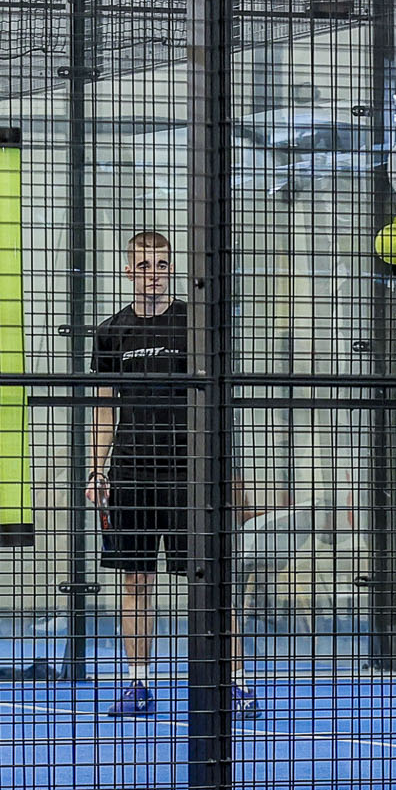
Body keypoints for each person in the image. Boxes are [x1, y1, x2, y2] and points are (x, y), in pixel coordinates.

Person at [86, 230, 250, 719]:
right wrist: (97, 471)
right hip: (132, 474)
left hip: (191, 476)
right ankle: (138, 684)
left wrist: (228, 475)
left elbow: (218, 403)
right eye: (143, 265)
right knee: (135, 581)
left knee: (212, 580)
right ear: (127, 271)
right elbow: (102, 410)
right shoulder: (111, 332)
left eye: (161, 264)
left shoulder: (194, 325)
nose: (153, 274)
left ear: (170, 268)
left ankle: (235, 683)